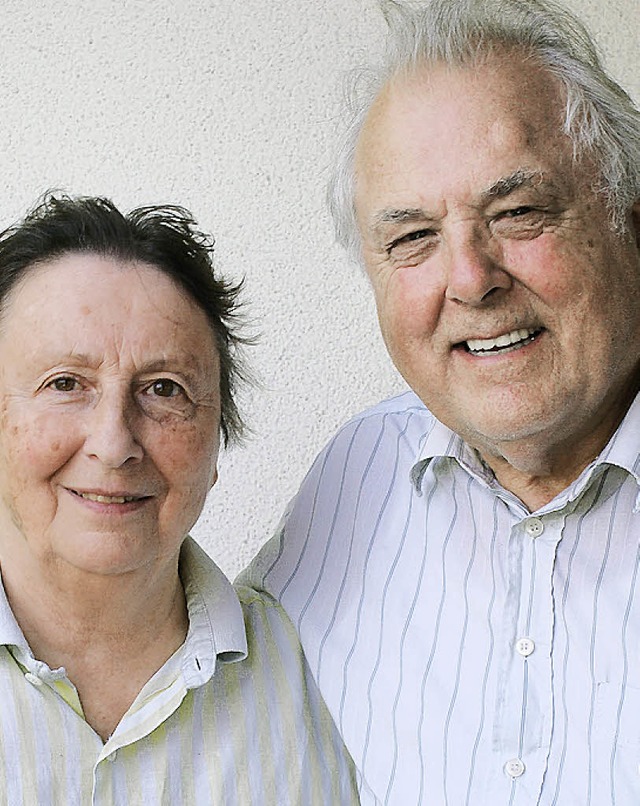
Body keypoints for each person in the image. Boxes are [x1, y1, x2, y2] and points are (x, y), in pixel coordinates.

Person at [240, 0, 640, 802]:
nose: (470, 278)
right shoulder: (359, 472)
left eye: (518, 212)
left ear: (629, 217)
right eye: (413, 238)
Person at [0, 194, 359, 805]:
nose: (114, 444)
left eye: (164, 390)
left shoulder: (330, 677)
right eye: (65, 384)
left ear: (216, 442)